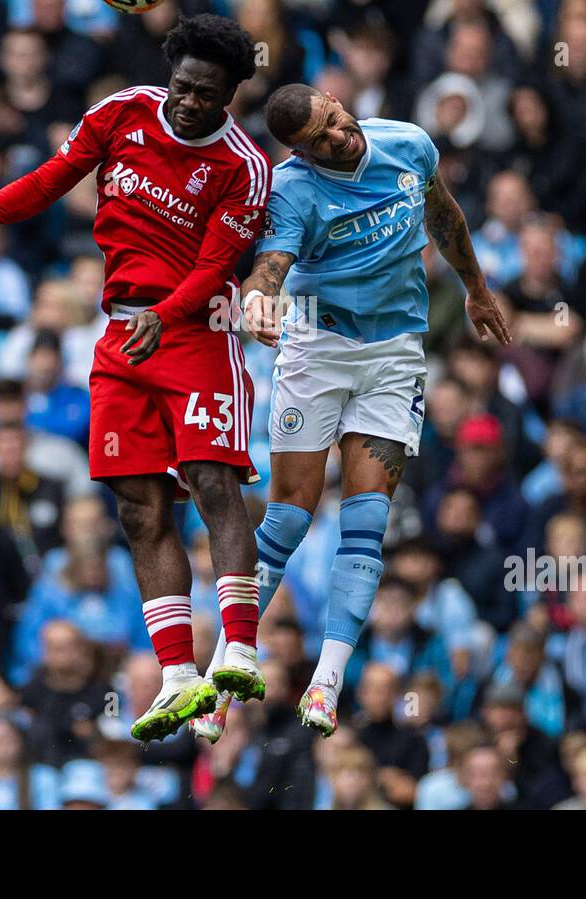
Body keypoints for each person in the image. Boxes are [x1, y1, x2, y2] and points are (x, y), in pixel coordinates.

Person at [0, 14, 271, 742]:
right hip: (121, 334)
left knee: (211, 480)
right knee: (138, 509)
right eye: (181, 86)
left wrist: (166, 314)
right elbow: (50, 181)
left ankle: (237, 646)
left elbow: (214, 267)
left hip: (197, 331)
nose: (186, 103)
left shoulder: (244, 165)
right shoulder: (121, 113)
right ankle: (177, 674)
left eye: (205, 94)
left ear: (230, 95)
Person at [191, 81, 510, 742]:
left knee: (368, 518)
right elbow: (269, 266)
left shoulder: (407, 143)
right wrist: (257, 301)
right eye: (320, 139)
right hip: (317, 348)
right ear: (299, 151)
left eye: (336, 120)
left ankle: (326, 681)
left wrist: (476, 288)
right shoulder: (291, 190)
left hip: (394, 352)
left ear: (337, 99)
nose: (340, 136)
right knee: (288, 519)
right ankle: (223, 671)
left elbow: (443, 215)